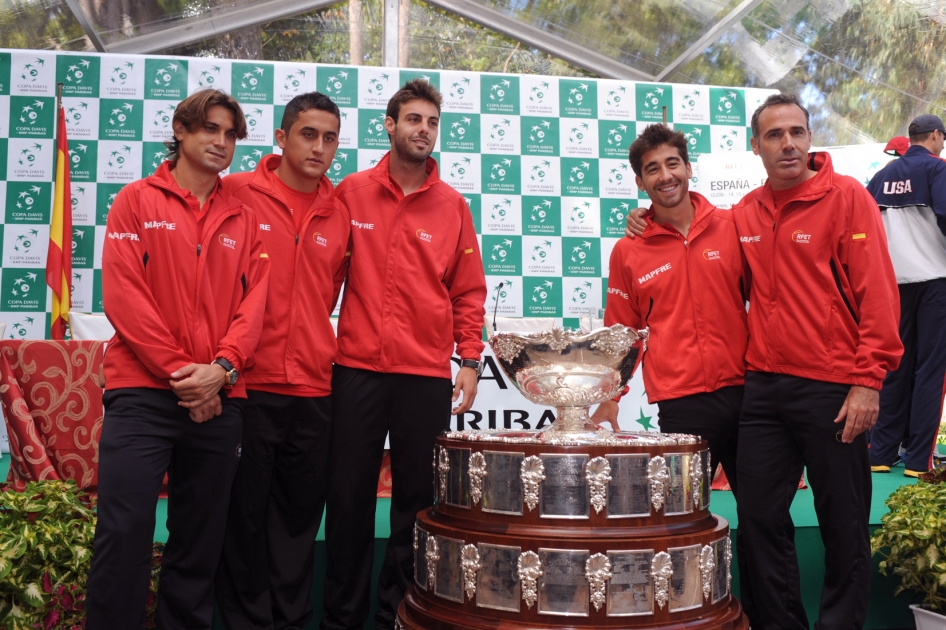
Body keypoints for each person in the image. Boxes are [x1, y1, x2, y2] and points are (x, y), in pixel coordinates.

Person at [86, 89, 270, 630]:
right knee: (125, 531)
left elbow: (253, 308)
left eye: (231, 134)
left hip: (219, 398)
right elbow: (125, 299)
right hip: (142, 397)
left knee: (198, 542)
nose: (221, 142)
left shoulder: (246, 218)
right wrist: (185, 377)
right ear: (181, 131)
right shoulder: (135, 201)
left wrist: (221, 372)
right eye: (210, 129)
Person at [320, 79, 487, 630]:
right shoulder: (350, 192)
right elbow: (325, 275)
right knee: (348, 500)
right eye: (413, 119)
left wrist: (468, 360)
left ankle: (396, 612)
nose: (424, 130)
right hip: (356, 371)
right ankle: (342, 619)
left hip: (423, 375)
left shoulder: (452, 206)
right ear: (389, 126)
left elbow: (467, 291)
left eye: (432, 122)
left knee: (416, 503)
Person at [732, 93, 902, 630]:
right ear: (755, 146)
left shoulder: (848, 197)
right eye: (775, 135)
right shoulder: (745, 213)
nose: (789, 144)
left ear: (809, 139)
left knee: (843, 523)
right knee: (757, 518)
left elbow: (877, 292)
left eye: (798, 132)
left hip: (834, 387)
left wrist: (868, 380)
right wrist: (646, 217)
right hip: (762, 388)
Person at [597, 122, 761, 626]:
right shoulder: (630, 250)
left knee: (763, 523)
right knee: (678, 527)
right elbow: (622, 333)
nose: (665, 175)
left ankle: (764, 618)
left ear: (689, 169)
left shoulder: (733, 225)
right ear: (640, 183)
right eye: (652, 170)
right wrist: (610, 393)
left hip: (751, 396)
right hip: (683, 406)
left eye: (672, 164)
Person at [215, 92, 350, 629]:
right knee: (243, 521)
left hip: (314, 390)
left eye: (330, 137)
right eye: (308, 134)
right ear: (281, 137)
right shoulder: (234, 191)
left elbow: (330, 291)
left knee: (297, 524)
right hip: (246, 385)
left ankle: (292, 622)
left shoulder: (341, 209)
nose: (320, 147)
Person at [867, 114, 946, 477]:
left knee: (895, 368)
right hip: (935, 282)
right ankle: (917, 461)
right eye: (942, 138)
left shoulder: (881, 177)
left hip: (894, 286)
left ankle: (881, 453)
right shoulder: (937, 169)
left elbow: (863, 230)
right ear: (934, 136)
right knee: (931, 370)